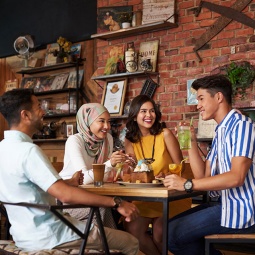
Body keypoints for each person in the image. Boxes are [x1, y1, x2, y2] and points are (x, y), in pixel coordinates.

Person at [0, 89, 139, 255]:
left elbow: (28, 188)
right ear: (25, 115)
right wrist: (116, 202)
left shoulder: (3, 148)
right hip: (54, 235)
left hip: (24, 236)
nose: (43, 111)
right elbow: (64, 195)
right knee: (131, 242)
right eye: (38, 107)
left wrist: (69, 182)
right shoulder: (29, 151)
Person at [164, 74, 255, 255]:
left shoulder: (242, 126)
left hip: (242, 210)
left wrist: (186, 184)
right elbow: (203, 177)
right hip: (224, 204)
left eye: (201, 98)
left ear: (219, 97)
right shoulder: (221, 131)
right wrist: (191, 140)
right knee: (165, 228)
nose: (198, 105)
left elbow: (236, 177)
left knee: (172, 234)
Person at [124, 95, 192, 255]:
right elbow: (133, 171)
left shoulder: (165, 134)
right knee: (132, 228)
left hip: (172, 196)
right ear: (134, 115)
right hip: (146, 198)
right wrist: (125, 166)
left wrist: (167, 173)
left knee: (159, 232)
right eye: (143, 111)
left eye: (152, 111)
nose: (149, 115)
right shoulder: (130, 141)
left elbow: (180, 166)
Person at [60, 103, 127, 228]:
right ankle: (102, 244)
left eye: (108, 122)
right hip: (68, 199)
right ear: (87, 121)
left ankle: (108, 244)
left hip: (93, 194)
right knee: (105, 207)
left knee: (122, 205)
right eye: (101, 121)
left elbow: (105, 177)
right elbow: (83, 179)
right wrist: (110, 163)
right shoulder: (74, 141)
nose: (107, 126)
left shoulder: (107, 139)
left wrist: (120, 167)